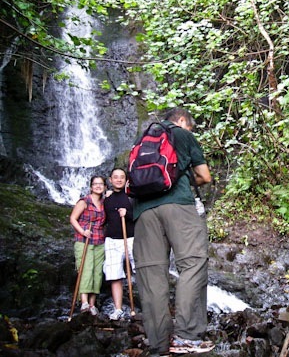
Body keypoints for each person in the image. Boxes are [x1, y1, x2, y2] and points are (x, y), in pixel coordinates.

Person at [133, 108, 214, 355]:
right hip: (178, 205)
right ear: (181, 120)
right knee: (193, 264)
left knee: (151, 274)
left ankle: (159, 344)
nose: (189, 130)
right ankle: (187, 336)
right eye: (189, 126)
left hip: (143, 212)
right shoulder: (182, 135)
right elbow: (205, 176)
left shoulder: (142, 139)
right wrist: (186, 180)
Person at [69, 175, 106, 316]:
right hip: (84, 240)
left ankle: (92, 304)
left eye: (101, 184)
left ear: (105, 187)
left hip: (99, 241)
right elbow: (73, 218)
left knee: (97, 272)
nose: (98, 186)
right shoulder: (84, 202)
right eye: (95, 184)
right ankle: (84, 302)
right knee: (86, 269)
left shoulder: (104, 202)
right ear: (91, 187)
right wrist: (83, 231)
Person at [103, 168, 135, 320]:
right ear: (110, 180)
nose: (119, 179)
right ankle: (118, 309)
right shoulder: (106, 199)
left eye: (122, 177)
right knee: (114, 275)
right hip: (112, 240)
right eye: (115, 177)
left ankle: (147, 306)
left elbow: (140, 216)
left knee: (140, 270)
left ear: (126, 180)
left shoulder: (132, 196)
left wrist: (127, 214)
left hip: (131, 238)